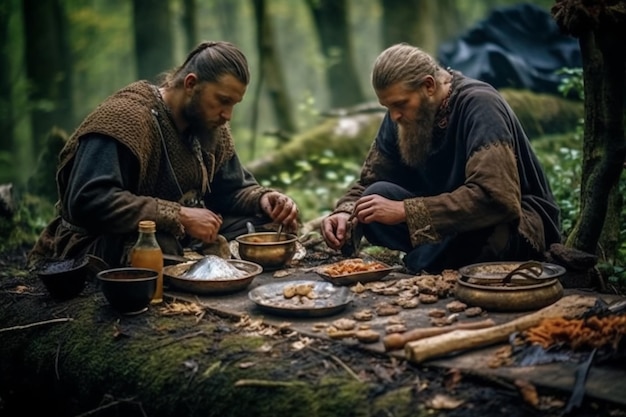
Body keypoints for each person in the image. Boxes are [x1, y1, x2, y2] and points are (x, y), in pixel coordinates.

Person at [28, 40, 299, 268]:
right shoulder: (125, 118)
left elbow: (229, 190)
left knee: (267, 224)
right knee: (157, 246)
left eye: (234, 104)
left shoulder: (209, 127)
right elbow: (89, 200)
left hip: (178, 235)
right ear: (191, 84)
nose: (227, 115)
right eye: (223, 100)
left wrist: (264, 199)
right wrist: (179, 216)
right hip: (100, 241)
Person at [320, 43, 561, 274]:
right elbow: (369, 181)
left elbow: (496, 199)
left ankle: (429, 259)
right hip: (446, 223)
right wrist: (344, 213)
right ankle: (435, 257)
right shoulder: (399, 116)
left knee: (482, 232)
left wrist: (406, 211)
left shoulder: (480, 105)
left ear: (428, 86)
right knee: (374, 195)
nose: (393, 116)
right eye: (387, 107)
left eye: (400, 104)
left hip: (510, 223)